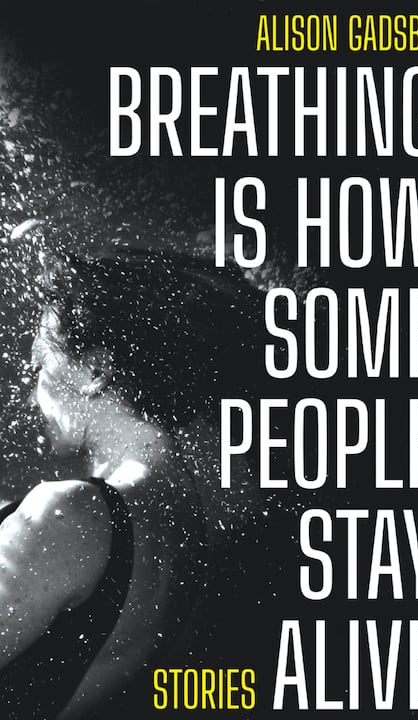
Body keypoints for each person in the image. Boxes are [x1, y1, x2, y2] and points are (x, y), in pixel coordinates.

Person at [0, 239, 267, 718]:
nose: (30, 384)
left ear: (96, 372)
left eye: (41, 363)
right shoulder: (189, 515)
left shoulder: (69, 514)